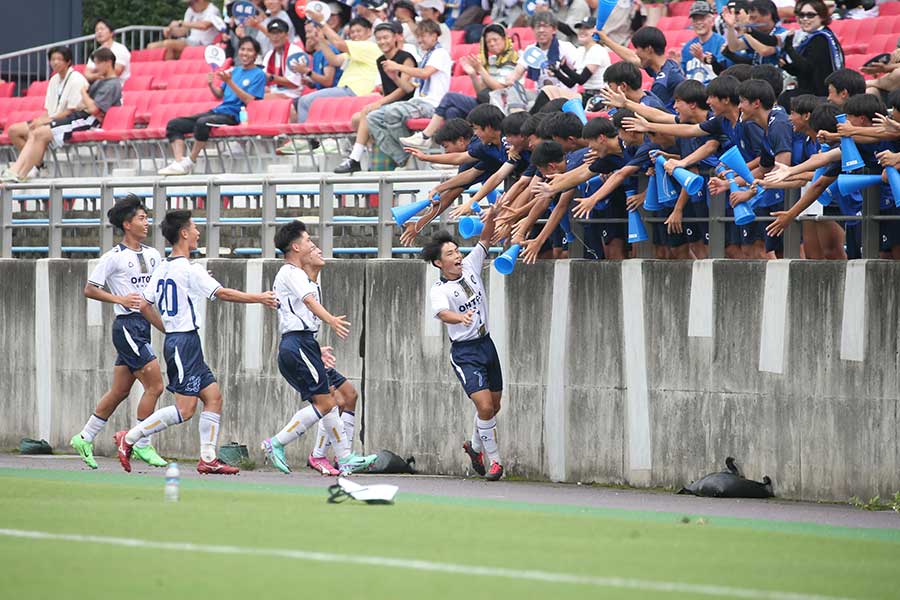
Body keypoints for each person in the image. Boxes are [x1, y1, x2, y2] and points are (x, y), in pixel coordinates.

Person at [114, 210, 278, 474]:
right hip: (183, 344)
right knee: (185, 409)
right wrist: (260, 298)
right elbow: (222, 292)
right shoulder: (190, 269)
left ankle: (208, 458)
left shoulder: (165, 267)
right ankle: (130, 437)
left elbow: (143, 304)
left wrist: (166, 328)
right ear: (184, 233)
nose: (199, 232)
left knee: (213, 397)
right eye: (194, 227)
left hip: (183, 341)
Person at [260, 221, 377, 475]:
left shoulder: (301, 275)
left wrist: (314, 345)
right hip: (297, 344)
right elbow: (308, 302)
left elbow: (302, 311)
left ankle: (341, 457)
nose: (314, 245)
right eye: (308, 241)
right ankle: (277, 443)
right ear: (296, 246)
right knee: (327, 402)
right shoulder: (291, 272)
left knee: (334, 399)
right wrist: (331, 320)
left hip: (303, 344)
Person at [70, 195, 167, 470]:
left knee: (119, 391)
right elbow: (90, 288)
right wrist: (119, 299)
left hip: (143, 325)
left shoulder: (153, 255)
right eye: (141, 218)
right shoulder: (113, 258)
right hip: (127, 327)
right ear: (127, 224)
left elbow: (157, 288)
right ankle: (142, 443)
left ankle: (85, 436)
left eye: (146, 217)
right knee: (156, 386)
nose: (146, 222)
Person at [422, 218, 505, 482]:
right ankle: (496, 463)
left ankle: (474, 446)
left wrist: (493, 212)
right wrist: (461, 318)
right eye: (450, 254)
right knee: (483, 405)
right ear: (439, 263)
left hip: (487, 345)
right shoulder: (439, 289)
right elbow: (442, 313)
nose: (457, 256)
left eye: (457, 251)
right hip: (465, 352)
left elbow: (486, 239)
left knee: (494, 406)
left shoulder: (470, 265)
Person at [1, 48, 121, 184]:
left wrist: (83, 93)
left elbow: (92, 108)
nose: (95, 67)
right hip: (80, 116)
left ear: (108, 62)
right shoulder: (99, 81)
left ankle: (21, 173)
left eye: (98, 63)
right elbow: (82, 105)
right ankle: (19, 170)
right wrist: (86, 101)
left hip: (88, 120)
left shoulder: (111, 84)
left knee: (39, 133)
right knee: (33, 132)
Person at [157, 37, 266, 176]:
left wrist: (230, 82)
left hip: (235, 115)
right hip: (219, 111)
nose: (245, 53)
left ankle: (191, 160)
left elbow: (250, 100)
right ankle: (179, 162)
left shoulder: (258, 74)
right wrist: (210, 85)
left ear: (256, 54)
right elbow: (219, 94)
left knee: (203, 123)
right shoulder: (234, 71)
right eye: (243, 49)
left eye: (250, 50)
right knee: (174, 124)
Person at [400, 23, 519, 150]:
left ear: (504, 39)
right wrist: (473, 74)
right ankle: (454, 155)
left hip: (502, 106)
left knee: (450, 97)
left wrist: (480, 70)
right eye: (488, 41)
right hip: (486, 103)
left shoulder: (513, 59)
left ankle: (425, 136)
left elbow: (499, 89)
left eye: (495, 40)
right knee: (452, 112)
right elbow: (481, 92)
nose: (492, 44)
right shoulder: (491, 61)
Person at [366, 19, 452, 169]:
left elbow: (425, 74)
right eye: (418, 36)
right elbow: (409, 87)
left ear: (435, 36)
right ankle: (402, 156)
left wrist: (398, 66)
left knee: (393, 111)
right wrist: (394, 77)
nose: (420, 40)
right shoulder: (426, 55)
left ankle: (408, 155)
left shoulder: (440, 53)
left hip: (431, 105)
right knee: (373, 117)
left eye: (424, 36)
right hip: (416, 102)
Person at [335, 21, 417, 174]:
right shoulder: (380, 60)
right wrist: (381, 102)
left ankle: (355, 158)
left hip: (407, 104)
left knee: (367, 114)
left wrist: (379, 103)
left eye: (386, 37)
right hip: (389, 104)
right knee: (356, 119)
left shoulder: (406, 58)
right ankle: (367, 153)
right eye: (378, 38)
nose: (382, 42)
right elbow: (387, 89)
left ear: (395, 38)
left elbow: (404, 89)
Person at [5, 46, 87, 174]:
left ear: (68, 61)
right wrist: (39, 120)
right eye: (52, 59)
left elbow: (71, 111)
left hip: (66, 120)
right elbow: (49, 109)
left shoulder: (77, 79)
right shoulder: (54, 79)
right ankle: (38, 164)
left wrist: (44, 122)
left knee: (36, 131)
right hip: (52, 118)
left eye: (59, 59)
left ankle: (25, 169)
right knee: (13, 130)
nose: (55, 62)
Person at [291, 15, 379, 124]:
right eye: (352, 32)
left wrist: (321, 23)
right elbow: (334, 60)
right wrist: (321, 40)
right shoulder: (354, 52)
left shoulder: (369, 46)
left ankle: (303, 139)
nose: (355, 35)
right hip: (346, 91)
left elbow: (338, 43)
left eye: (358, 31)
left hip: (354, 91)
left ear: (369, 32)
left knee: (304, 101)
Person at [599, 25, 686, 111]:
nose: (636, 53)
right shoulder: (669, 65)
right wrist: (605, 41)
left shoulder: (661, 83)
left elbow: (654, 113)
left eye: (637, 48)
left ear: (649, 49)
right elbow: (632, 58)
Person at [780, 0, 844, 101]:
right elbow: (805, 71)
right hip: (811, 90)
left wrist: (789, 48)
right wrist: (787, 66)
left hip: (819, 96)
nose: (805, 19)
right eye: (801, 15)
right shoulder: (820, 35)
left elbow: (806, 69)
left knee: (785, 98)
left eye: (810, 15)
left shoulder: (821, 39)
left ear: (822, 16)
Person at [147, 0, 221, 60]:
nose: (189, 6)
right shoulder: (190, 11)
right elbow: (183, 31)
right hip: (190, 41)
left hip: (205, 44)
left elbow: (204, 26)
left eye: (191, 3)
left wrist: (180, 23)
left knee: (168, 44)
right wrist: (170, 31)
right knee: (151, 46)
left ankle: (169, 71)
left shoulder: (213, 10)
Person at [681, 1, 725, 84]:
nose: (698, 22)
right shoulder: (688, 47)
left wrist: (702, 58)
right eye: (695, 19)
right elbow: (683, 75)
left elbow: (722, 73)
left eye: (702, 18)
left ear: (711, 21)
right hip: (691, 91)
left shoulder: (721, 42)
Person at [261, 19, 304, 100]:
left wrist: (271, 78)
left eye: (279, 33)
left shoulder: (295, 52)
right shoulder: (269, 55)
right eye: (272, 33)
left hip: (292, 95)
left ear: (287, 35)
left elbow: (294, 84)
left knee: (260, 100)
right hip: (273, 92)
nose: (275, 37)